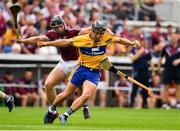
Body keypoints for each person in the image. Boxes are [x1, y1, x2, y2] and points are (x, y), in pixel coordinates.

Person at [38, 20, 140, 124]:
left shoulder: (105, 37)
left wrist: (131, 43)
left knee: (86, 95)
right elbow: (66, 42)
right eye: (97, 32)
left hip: (94, 73)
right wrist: (47, 44)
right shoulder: (82, 39)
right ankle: (51, 109)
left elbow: (119, 40)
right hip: (81, 69)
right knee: (66, 94)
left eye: (101, 33)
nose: (98, 35)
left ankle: (65, 115)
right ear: (92, 30)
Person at [17, 15, 91, 123]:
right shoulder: (53, 34)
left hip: (77, 63)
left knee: (74, 89)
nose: (58, 29)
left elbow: (88, 30)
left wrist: (103, 28)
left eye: (60, 26)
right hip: (64, 63)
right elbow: (38, 38)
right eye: (56, 28)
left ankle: (85, 106)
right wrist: (23, 41)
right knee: (48, 84)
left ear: (63, 25)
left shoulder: (73, 31)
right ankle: (53, 111)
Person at [129, 36, 155, 108]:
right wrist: (140, 52)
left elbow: (150, 61)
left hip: (145, 72)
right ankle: (131, 103)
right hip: (137, 71)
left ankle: (145, 103)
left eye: (144, 40)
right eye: (142, 40)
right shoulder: (134, 50)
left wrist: (153, 71)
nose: (144, 42)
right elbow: (132, 59)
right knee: (135, 88)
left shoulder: (147, 51)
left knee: (145, 88)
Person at [158, 33, 180, 109]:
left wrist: (178, 60)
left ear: (177, 38)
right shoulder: (166, 47)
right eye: (172, 37)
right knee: (166, 86)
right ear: (170, 38)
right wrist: (159, 68)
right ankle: (164, 103)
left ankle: (178, 103)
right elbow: (160, 58)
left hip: (177, 69)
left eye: (175, 37)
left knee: (178, 86)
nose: (173, 39)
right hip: (168, 69)